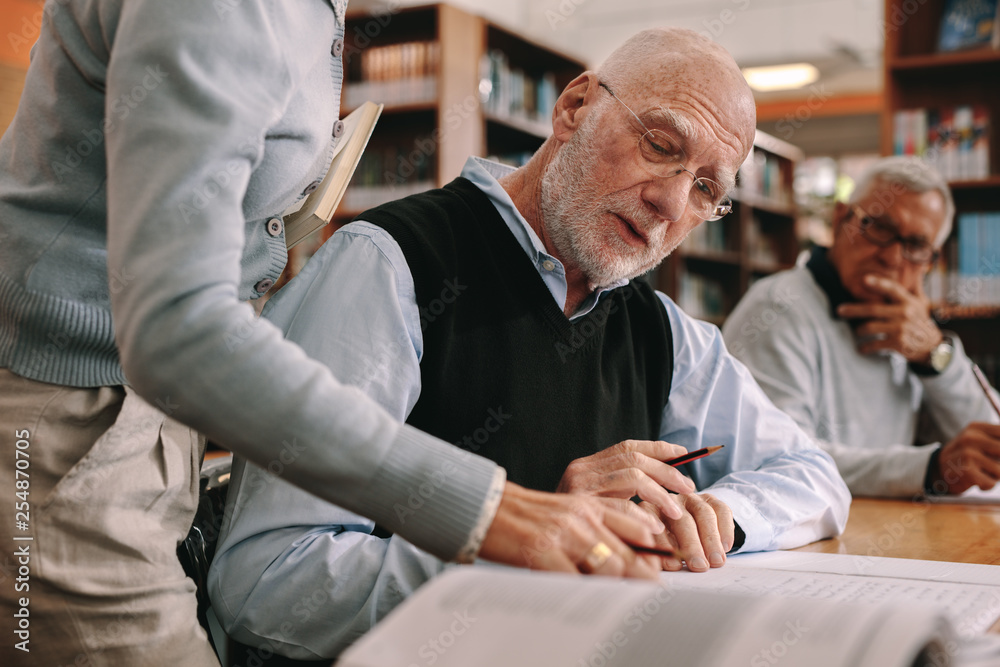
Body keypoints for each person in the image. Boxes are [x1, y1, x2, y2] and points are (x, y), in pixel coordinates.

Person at [0, 2, 669, 664]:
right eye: (660, 147)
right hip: (67, 429)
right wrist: (492, 512)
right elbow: (176, 327)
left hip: (131, 418)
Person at [207, 27, 850, 661]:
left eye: (708, 188)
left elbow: (815, 476)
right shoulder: (390, 266)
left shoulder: (664, 332)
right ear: (575, 107)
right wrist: (516, 551)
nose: (670, 201)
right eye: (660, 145)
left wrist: (720, 515)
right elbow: (266, 580)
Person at [724, 156, 1000, 498]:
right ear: (841, 218)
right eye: (879, 227)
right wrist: (929, 469)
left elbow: (991, 448)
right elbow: (782, 463)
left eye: (915, 245)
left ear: (931, 261)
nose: (893, 258)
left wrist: (933, 356)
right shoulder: (777, 308)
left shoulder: (907, 328)